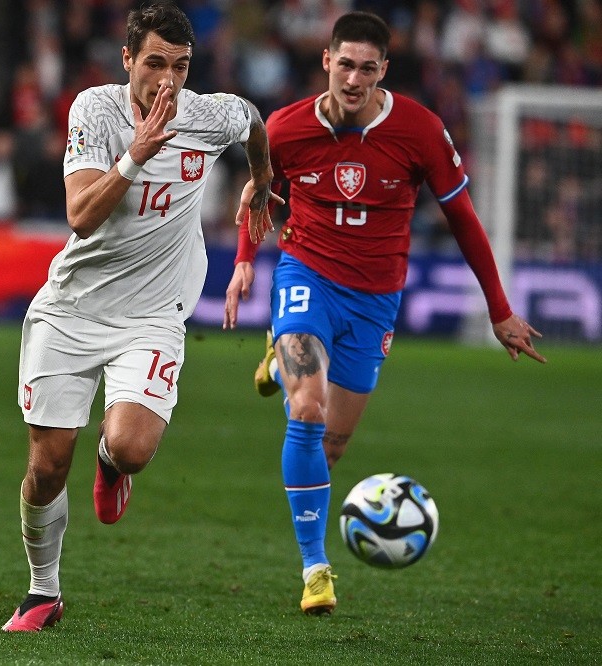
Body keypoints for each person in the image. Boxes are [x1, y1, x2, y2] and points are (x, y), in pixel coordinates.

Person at [222, 11, 546, 616]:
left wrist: (500, 310)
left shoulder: (420, 131)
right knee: (308, 411)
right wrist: (245, 259)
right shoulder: (284, 128)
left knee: (332, 448)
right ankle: (316, 568)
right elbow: (259, 191)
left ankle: (282, 357)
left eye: (367, 69)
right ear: (326, 61)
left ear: (383, 72)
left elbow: (465, 220)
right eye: (344, 64)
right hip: (306, 275)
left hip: (376, 301)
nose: (353, 78)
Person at [2, 3, 282, 633]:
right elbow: (79, 215)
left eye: (181, 67)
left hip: (154, 312)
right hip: (73, 309)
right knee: (47, 467)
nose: (168, 80)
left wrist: (260, 180)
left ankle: (111, 464)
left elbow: (254, 122)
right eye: (155, 63)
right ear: (127, 58)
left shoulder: (207, 114)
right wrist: (135, 156)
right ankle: (42, 591)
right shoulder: (94, 110)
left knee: (129, 447)